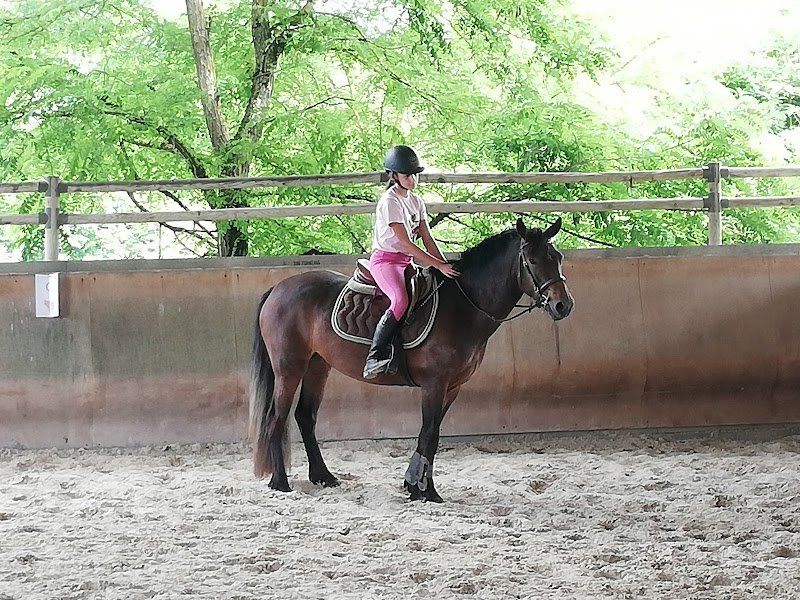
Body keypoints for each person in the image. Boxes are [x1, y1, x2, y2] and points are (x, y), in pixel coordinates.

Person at [362, 144, 459, 379]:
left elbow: (427, 238)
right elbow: (405, 243)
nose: (413, 179)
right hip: (386, 262)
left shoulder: (416, 201)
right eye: (407, 175)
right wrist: (437, 265)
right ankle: (374, 355)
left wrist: (444, 265)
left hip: (406, 262)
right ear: (394, 176)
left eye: (415, 174)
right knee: (400, 300)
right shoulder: (390, 202)